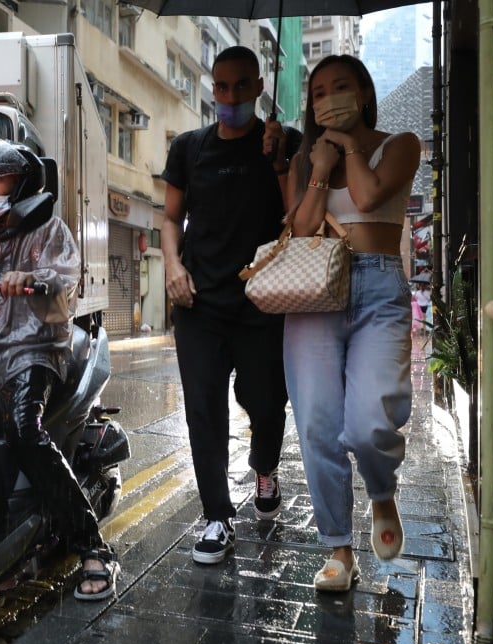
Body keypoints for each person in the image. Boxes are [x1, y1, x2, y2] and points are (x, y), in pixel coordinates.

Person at [0, 139, 119, 601]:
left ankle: (91, 545)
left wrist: (31, 280)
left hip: (35, 352)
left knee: (23, 431)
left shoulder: (50, 231)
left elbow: (65, 277)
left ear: (23, 183)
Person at [283, 55, 421, 592]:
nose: (327, 99)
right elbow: (302, 226)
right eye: (318, 92)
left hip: (379, 287)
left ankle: (381, 490)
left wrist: (347, 146)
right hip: (314, 292)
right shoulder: (306, 159)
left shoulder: (400, 144)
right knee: (318, 424)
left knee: (368, 424)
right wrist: (317, 168)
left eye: (341, 87)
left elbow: (367, 196)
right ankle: (339, 546)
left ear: (365, 93)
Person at [160, 46, 300, 565]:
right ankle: (217, 516)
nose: (231, 96)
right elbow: (171, 218)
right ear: (211, 89)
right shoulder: (189, 148)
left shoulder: (282, 144)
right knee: (203, 409)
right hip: (199, 302)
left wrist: (282, 160)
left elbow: (299, 218)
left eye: (242, 86)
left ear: (259, 86)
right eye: (221, 86)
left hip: (265, 301)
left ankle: (264, 465)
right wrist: (173, 266)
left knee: (265, 402)